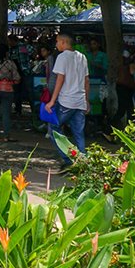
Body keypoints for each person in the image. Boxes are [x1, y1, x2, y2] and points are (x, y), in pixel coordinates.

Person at [47, 33, 90, 172]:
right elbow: (86, 80)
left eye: (58, 42)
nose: (56, 44)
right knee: (79, 133)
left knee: (54, 129)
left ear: (64, 42)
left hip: (66, 100)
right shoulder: (81, 57)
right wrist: (86, 100)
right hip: (80, 100)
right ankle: (82, 161)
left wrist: (52, 101)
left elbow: (60, 79)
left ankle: (68, 159)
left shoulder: (62, 57)